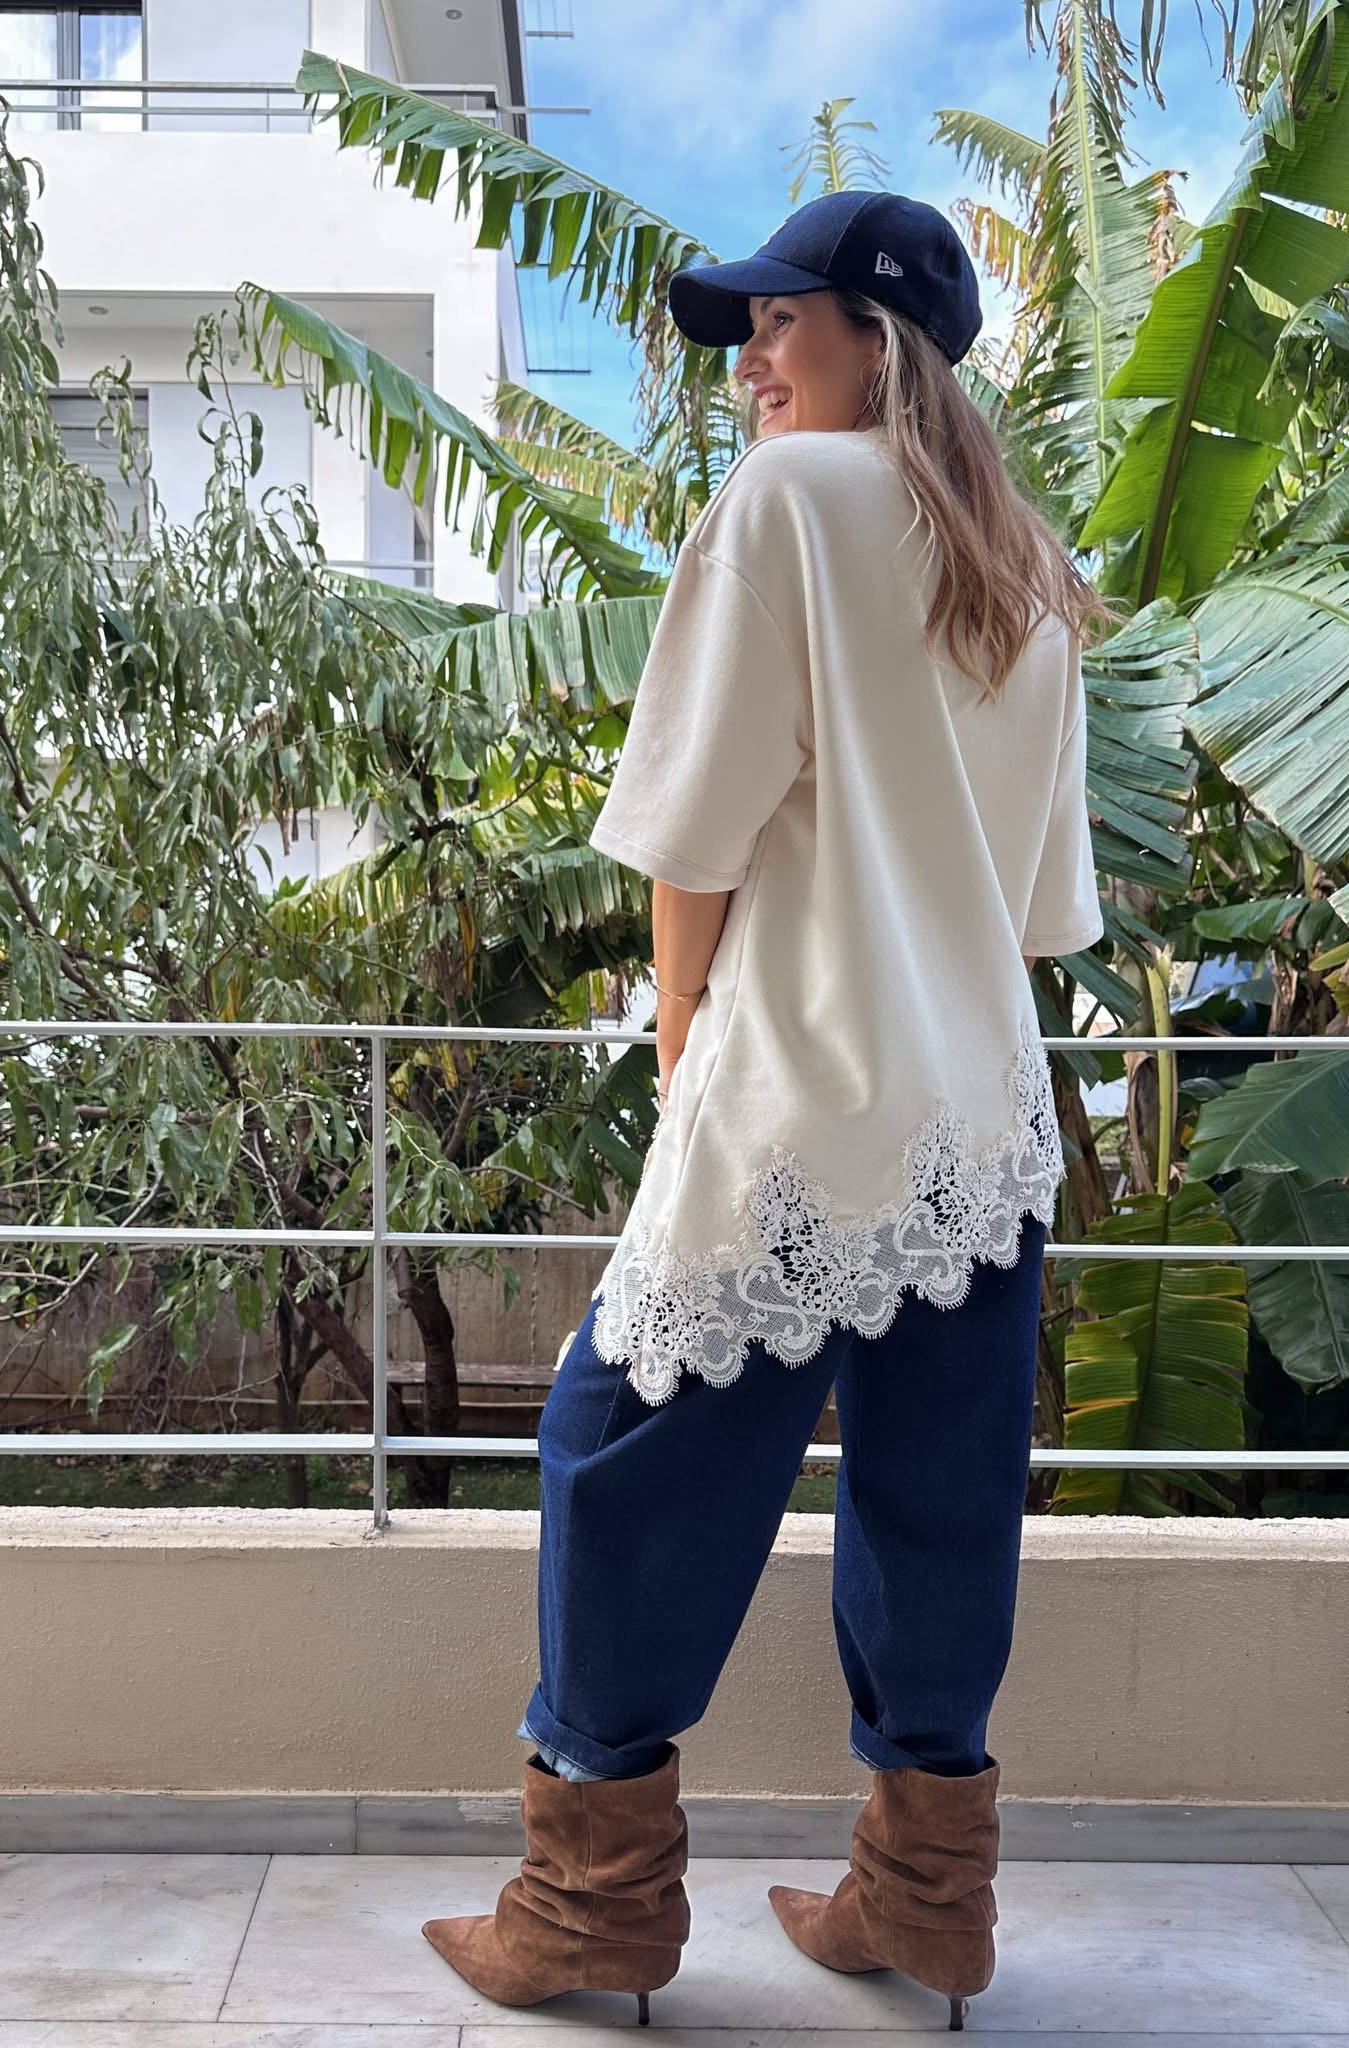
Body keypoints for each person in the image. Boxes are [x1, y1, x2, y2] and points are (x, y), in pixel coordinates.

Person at [422, 189, 1112, 2032]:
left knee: (613, 1451)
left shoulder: (790, 505)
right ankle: (927, 1901)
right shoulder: (1029, 570)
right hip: (981, 1120)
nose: (748, 364)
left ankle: (589, 1906)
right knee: (936, 1501)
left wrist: (678, 1041)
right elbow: (1039, 912)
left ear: (878, 340)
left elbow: (693, 822)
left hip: (801, 1087)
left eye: (778, 324)